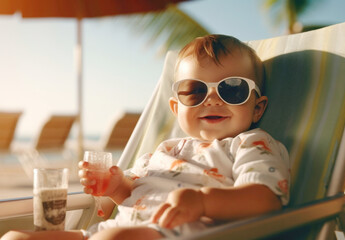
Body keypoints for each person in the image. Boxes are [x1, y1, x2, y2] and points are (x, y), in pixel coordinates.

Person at [1, 34, 290, 240]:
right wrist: (115, 186)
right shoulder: (166, 149)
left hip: (174, 234)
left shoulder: (251, 144)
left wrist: (202, 202)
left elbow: (266, 198)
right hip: (112, 233)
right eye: (195, 91)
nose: (212, 100)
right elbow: (133, 194)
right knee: (15, 237)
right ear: (176, 108)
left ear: (257, 107)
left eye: (232, 89)